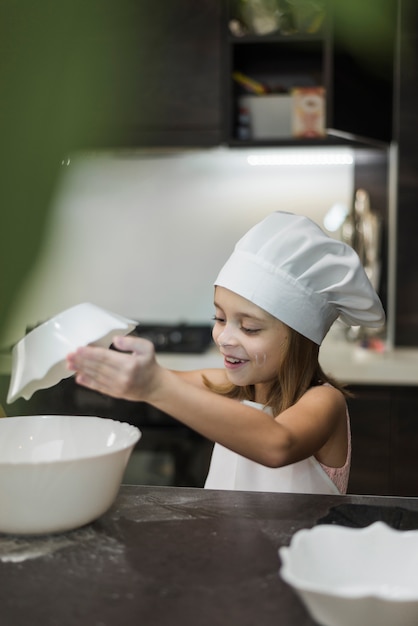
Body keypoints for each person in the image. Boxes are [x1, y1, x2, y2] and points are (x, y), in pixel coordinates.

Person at [66, 211, 385, 495]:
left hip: (297, 560)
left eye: (249, 328)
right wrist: (103, 360)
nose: (225, 338)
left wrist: (155, 387)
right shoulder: (228, 386)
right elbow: (159, 379)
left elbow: (278, 444)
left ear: (300, 339)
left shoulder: (323, 402)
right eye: (219, 318)